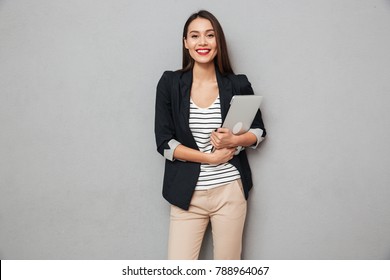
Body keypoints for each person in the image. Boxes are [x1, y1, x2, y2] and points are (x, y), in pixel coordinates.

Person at [154, 10, 266, 260]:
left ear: (219, 41)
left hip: (229, 191)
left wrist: (235, 140)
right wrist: (210, 159)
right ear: (185, 43)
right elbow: (165, 143)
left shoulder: (237, 84)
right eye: (194, 36)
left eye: (209, 35)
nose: (202, 42)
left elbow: (259, 131)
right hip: (186, 193)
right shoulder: (170, 83)